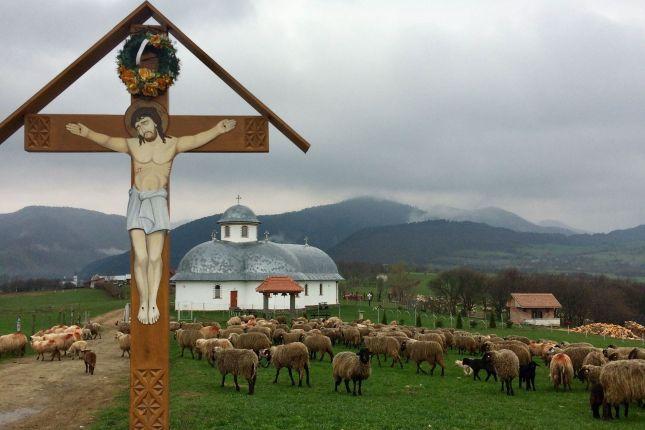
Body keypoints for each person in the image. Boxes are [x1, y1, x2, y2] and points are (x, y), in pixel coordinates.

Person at [66, 105, 235, 325]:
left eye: (144, 122)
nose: (140, 128)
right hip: (137, 201)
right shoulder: (133, 144)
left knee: (155, 258)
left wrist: (217, 130)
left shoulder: (172, 144)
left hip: (157, 202)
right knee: (141, 257)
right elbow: (108, 140)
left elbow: (195, 139)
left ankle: (152, 300)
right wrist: (87, 133)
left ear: (155, 121)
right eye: (137, 125)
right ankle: (143, 301)